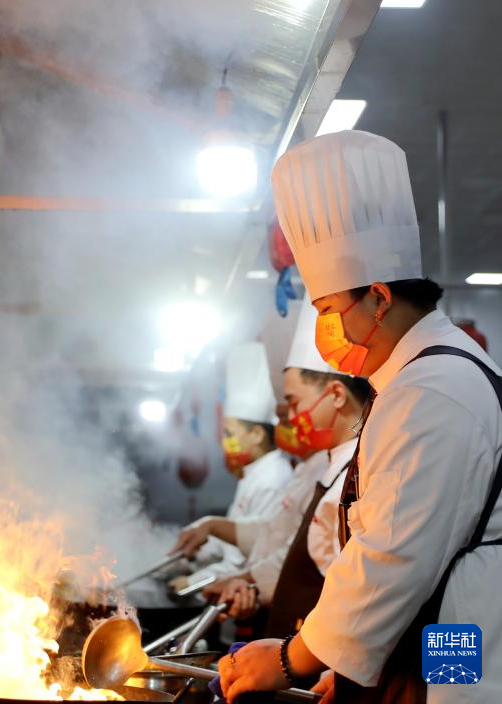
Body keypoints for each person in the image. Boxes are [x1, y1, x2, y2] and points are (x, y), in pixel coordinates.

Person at [217, 130, 502, 704]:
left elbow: (392, 557)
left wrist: (291, 659)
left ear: (378, 297)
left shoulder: (432, 389)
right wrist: (348, 663)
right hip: (430, 630)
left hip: (455, 638)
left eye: (328, 308)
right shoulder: (415, 379)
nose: (327, 331)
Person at [172, 302, 370, 633]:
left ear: (337, 395)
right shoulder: (327, 466)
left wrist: (245, 580)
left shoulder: (359, 469)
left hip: (319, 639)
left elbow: (337, 580)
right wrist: (241, 574)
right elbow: (282, 541)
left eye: (292, 404)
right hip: (295, 632)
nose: (289, 420)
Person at [171, 342, 293, 591]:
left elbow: (245, 557)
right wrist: (189, 559)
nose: (224, 442)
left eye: (230, 433)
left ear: (257, 434)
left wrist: (191, 582)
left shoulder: (273, 478)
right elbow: (226, 543)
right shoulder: (252, 474)